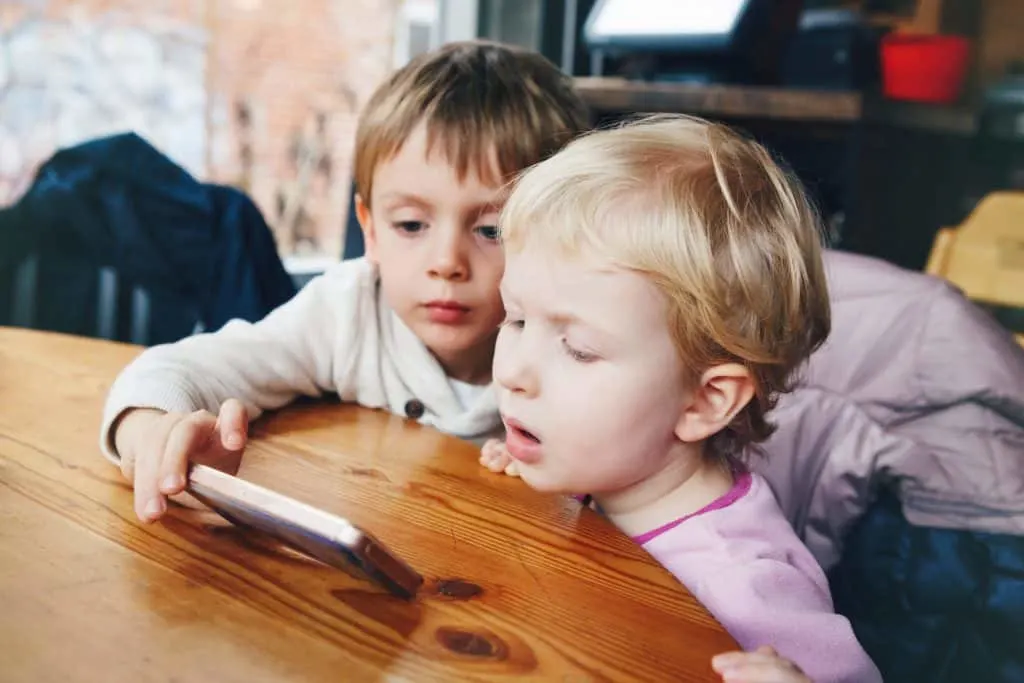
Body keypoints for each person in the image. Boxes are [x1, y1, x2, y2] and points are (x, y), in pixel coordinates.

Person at [100, 40, 590, 524]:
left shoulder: (583, 348)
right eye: (411, 225)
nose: (446, 263)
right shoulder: (348, 312)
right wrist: (149, 430)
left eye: (491, 230)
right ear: (371, 229)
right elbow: (180, 367)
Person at [483, 114, 881, 683]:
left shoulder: (740, 589)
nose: (515, 372)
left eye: (577, 349)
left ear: (705, 402)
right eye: (516, 319)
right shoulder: (615, 473)